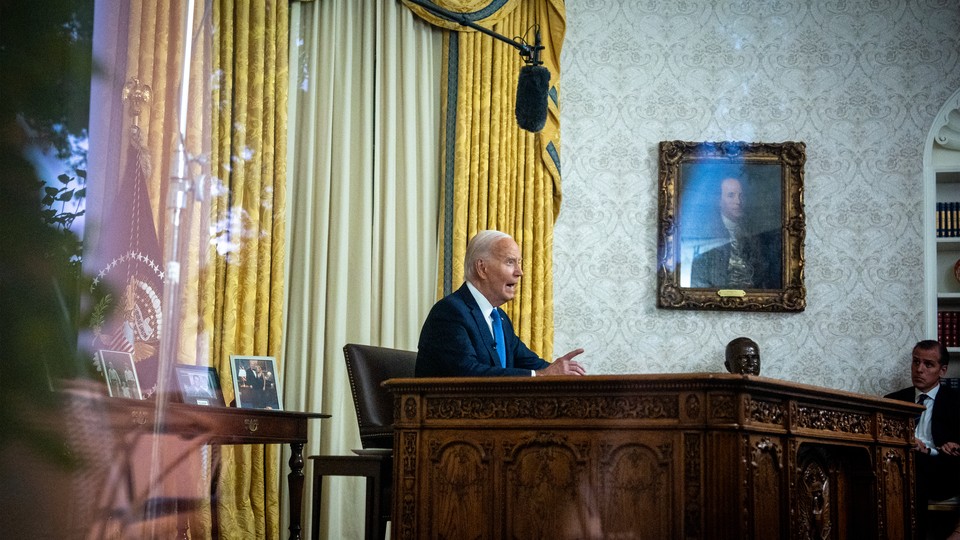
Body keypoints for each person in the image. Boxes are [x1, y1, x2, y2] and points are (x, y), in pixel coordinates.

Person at [416, 230, 586, 377]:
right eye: (510, 262)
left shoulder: (500, 319)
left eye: (519, 263)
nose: (519, 272)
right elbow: (468, 373)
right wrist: (541, 375)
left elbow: (529, 363)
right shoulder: (450, 313)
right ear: (482, 268)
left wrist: (561, 373)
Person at [885, 340, 960, 537]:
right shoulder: (892, 401)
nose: (919, 369)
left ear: (942, 371)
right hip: (899, 465)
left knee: (916, 466)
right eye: (915, 362)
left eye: (928, 364)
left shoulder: (956, 402)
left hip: (942, 471)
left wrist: (948, 447)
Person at [690, 177, 781, 289]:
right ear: (719, 200)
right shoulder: (707, 233)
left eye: (741, 195)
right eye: (731, 196)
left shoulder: (753, 233)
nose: (738, 201)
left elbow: (763, 274)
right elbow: (700, 278)